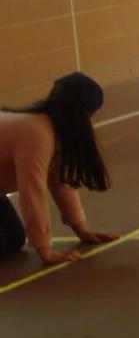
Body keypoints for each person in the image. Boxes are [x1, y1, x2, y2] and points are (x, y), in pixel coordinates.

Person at [0, 73, 118, 264]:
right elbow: (32, 192)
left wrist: (81, 229)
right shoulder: (37, 134)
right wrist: (45, 250)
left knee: (14, 238)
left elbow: (61, 180)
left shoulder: (51, 128)